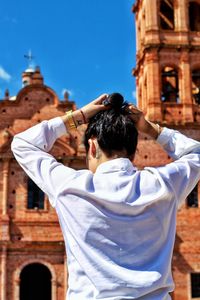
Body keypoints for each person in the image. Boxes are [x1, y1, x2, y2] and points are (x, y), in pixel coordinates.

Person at [11, 93, 200, 300]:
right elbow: (196, 153)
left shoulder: (69, 186)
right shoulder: (162, 184)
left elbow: (22, 144)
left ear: (91, 147)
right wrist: (148, 127)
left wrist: (78, 117)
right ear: (134, 150)